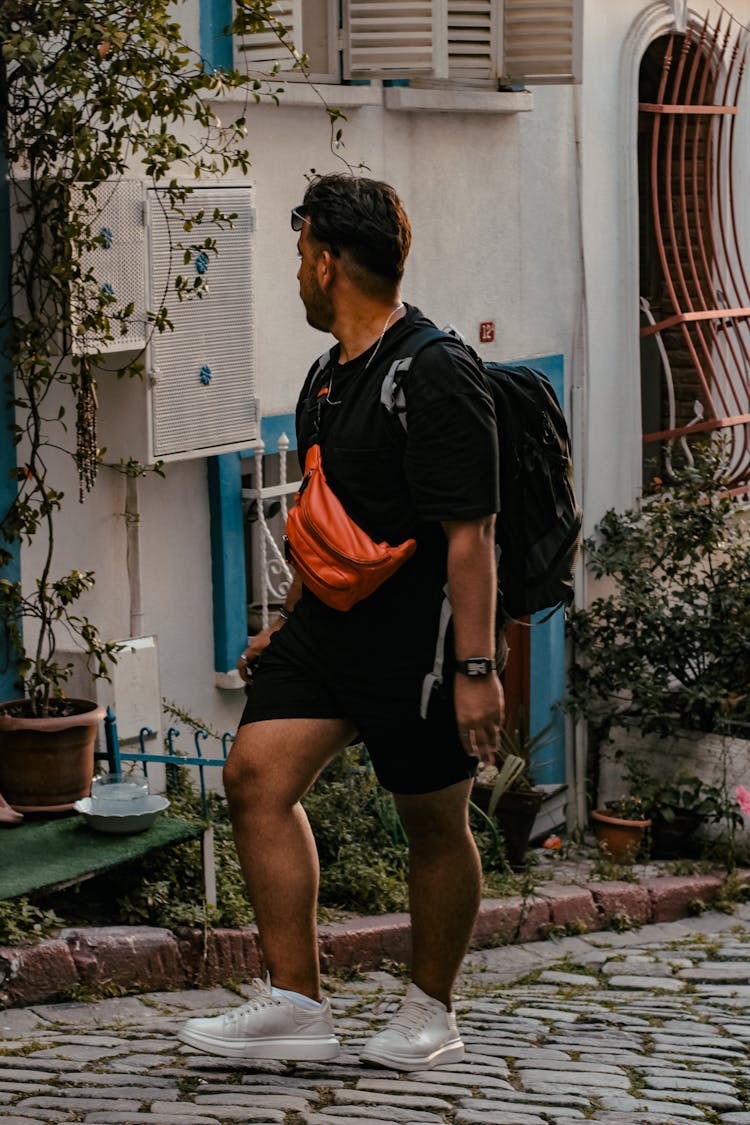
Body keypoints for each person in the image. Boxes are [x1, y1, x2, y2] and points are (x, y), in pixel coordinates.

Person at [179, 173, 505, 1070]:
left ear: (328, 261)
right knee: (255, 777)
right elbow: (324, 515)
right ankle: (297, 1001)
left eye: (298, 257)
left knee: (433, 823)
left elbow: (471, 535)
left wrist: (477, 670)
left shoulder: (435, 372)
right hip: (328, 630)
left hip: (422, 644)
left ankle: (429, 1009)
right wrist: (284, 622)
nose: (295, 276)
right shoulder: (329, 374)